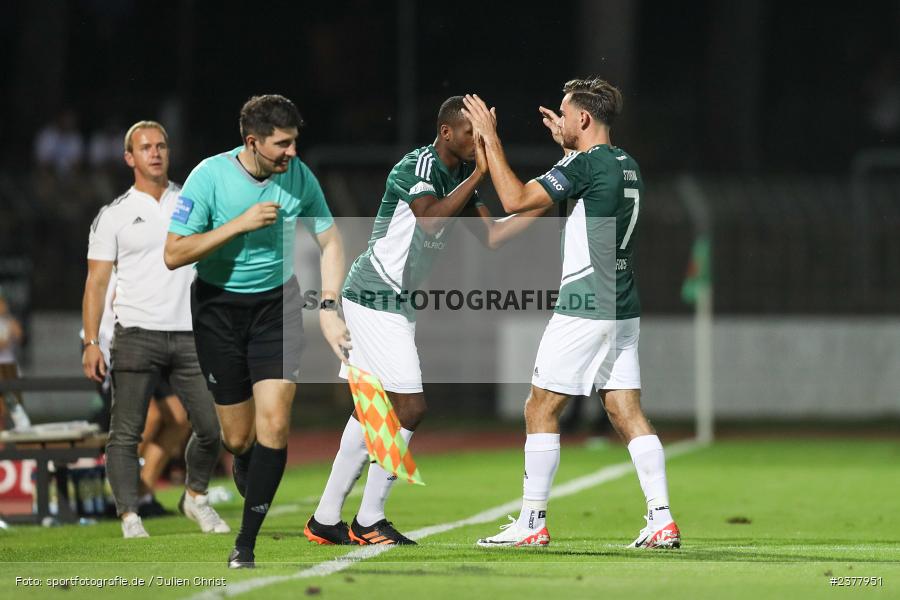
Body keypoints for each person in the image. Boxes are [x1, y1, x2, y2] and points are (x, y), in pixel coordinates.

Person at [304, 96, 545, 547]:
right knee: (410, 407)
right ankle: (369, 518)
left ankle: (324, 518)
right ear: (447, 132)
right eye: (473, 133)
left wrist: (541, 204)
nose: (479, 141)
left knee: (368, 412)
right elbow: (430, 221)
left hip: (393, 302)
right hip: (374, 296)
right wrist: (479, 173)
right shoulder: (418, 165)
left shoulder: (460, 176)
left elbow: (492, 236)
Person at [463, 79, 681, 549]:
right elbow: (583, 190)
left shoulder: (586, 164)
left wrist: (491, 138)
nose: (558, 120)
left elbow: (515, 200)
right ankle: (661, 518)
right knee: (625, 409)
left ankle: (531, 521)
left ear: (583, 118)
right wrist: (565, 149)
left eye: (564, 114)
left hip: (585, 304)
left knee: (540, 406)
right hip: (622, 305)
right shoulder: (625, 163)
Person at [164, 94, 350, 568]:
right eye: (282, 144)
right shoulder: (209, 176)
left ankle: (244, 544)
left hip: (276, 308)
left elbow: (330, 240)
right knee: (238, 438)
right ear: (252, 142)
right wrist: (238, 225)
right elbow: (174, 253)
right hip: (218, 310)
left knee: (276, 422)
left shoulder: (299, 176)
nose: (292, 152)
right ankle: (247, 459)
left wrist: (329, 306)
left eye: (294, 142)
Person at [82, 120, 228, 539]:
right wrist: (91, 341)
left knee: (211, 427)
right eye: (146, 147)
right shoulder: (113, 215)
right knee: (126, 432)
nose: (155, 153)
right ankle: (130, 516)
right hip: (135, 334)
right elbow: (96, 283)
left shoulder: (191, 202)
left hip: (188, 333)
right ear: (129, 157)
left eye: (161, 145)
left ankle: (195, 496)